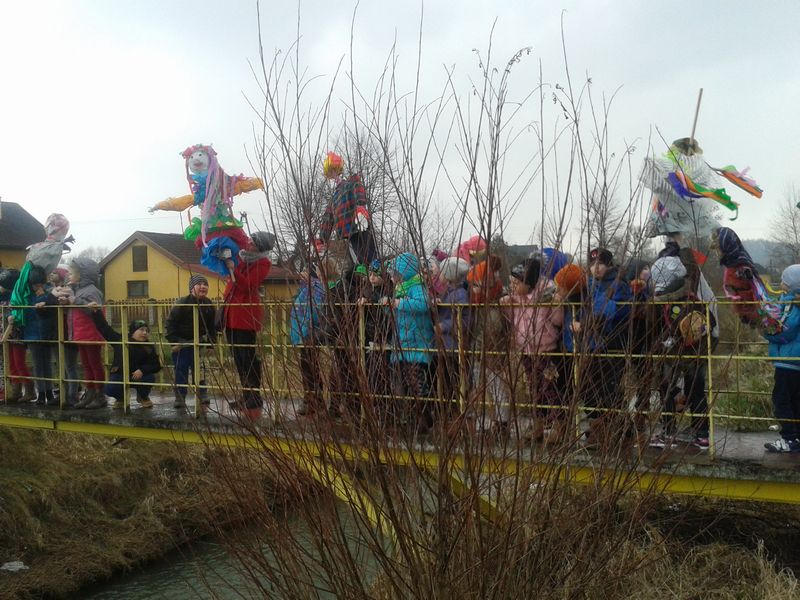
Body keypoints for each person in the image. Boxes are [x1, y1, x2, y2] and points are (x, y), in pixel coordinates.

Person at [648, 255, 716, 451]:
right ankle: (702, 434)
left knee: (666, 390)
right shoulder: (694, 298)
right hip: (696, 353)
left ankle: (668, 432)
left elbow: (661, 327)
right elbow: (710, 322)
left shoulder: (666, 303)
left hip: (673, 353)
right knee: (697, 392)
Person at [582, 248, 631, 447]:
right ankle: (602, 424)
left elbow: (623, 311)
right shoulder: (588, 285)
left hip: (612, 342)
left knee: (609, 387)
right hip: (591, 343)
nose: (596, 268)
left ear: (609, 265)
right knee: (589, 386)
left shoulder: (619, 284)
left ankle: (607, 426)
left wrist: (600, 312)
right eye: (592, 264)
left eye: (600, 264)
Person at [222, 231, 274, 419]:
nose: (248, 242)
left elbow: (247, 285)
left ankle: (254, 396)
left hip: (245, 315)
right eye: (250, 239)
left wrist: (233, 269)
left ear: (260, 247)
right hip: (232, 313)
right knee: (238, 358)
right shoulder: (241, 257)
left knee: (247, 357)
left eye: (253, 241)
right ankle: (246, 395)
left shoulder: (263, 263)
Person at [385, 253, 435, 433]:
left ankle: (424, 419)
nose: (392, 277)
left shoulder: (417, 287)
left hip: (416, 342)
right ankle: (411, 418)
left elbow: (423, 305)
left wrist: (399, 303)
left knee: (417, 383)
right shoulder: (401, 288)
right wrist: (389, 306)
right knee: (405, 384)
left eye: (394, 273)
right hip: (403, 342)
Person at [466, 255, 508, 435]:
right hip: (479, 352)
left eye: (476, 285)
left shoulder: (493, 310)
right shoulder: (477, 307)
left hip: (490, 354)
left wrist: (482, 350)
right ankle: (474, 420)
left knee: (495, 384)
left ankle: (501, 421)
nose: (473, 289)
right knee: (477, 384)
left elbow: (492, 333)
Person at [90, 307, 161, 408]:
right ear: (133, 332)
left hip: (139, 376)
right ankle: (120, 398)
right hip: (120, 374)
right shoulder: (121, 341)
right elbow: (105, 329)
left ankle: (143, 396)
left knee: (149, 378)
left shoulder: (149, 347)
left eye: (147, 330)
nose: (145, 333)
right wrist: (96, 312)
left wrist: (142, 370)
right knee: (110, 388)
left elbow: (156, 365)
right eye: (141, 330)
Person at [165, 274, 217, 410]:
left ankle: (202, 393)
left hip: (198, 342)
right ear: (191, 288)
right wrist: (174, 342)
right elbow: (170, 324)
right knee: (180, 369)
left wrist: (211, 344)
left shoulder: (208, 304)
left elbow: (212, 327)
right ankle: (180, 397)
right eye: (199, 284)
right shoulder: (182, 303)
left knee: (200, 369)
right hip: (181, 342)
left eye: (205, 285)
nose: (203, 287)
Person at [762, 265, 800, 453]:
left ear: (791, 284)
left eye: (784, 280)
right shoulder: (792, 301)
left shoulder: (792, 303)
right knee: (795, 401)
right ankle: (796, 437)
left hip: (788, 361)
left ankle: (789, 439)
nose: (781, 284)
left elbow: (783, 330)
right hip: (795, 361)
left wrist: (765, 331)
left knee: (782, 400)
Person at [62, 258, 106, 409]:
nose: (68, 275)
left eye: (71, 273)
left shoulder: (92, 291)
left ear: (82, 275)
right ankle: (90, 393)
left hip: (91, 333)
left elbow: (94, 311)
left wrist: (75, 301)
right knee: (86, 365)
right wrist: (68, 302)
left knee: (95, 365)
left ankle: (100, 395)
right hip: (81, 333)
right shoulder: (78, 290)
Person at [289, 262, 326, 416]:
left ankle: (313, 401)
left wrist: (306, 331)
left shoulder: (315, 289)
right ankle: (312, 399)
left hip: (309, 334)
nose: (301, 274)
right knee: (308, 368)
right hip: (303, 334)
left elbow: (314, 313)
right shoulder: (305, 289)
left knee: (310, 368)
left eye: (304, 271)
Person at [19, 266, 59, 405]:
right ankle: (41, 392)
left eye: (40, 284)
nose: (38, 287)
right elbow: (32, 311)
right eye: (35, 285)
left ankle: (49, 391)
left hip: (45, 333)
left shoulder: (48, 294)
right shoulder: (27, 295)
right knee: (38, 365)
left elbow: (48, 310)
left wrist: (42, 297)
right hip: (32, 334)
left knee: (47, 363)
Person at [435, 257, 470, 403]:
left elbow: (464, 320)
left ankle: (454, 407)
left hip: (453, 345)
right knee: (444, 379)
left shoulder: (460, 294)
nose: (439, 274)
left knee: (452, 379)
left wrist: (444, 326)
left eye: (442, 272)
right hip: (445, 344)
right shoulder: (447, 292)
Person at [1, 269, 36, 402]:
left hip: (16, 333)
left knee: (19, 362)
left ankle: (29, 389)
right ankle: (16, 390)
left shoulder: (17, 296)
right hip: (7, 334)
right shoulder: (5, 297)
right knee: (11, 363)